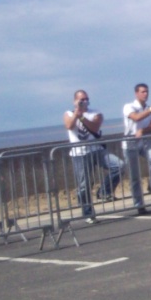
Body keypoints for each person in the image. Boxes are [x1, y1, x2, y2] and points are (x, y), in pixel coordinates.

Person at [64, 90, 123, 224]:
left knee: (119, 165)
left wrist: (82, 117)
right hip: (79, 153)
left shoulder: (96, 113)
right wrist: (76, 113)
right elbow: (69, 125)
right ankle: (88, 213)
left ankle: (104, 191)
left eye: (86, 99)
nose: (84, 102)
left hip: (96, 150)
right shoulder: (68, 113)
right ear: (75, 101)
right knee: (84, 185)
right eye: (81, 100)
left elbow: (95, 128)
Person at [123, 83, 151, 215]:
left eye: (146, 91)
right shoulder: (129, 106)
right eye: (142, 92)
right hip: (130, 144)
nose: (145, 94)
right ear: (136, 93)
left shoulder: (148, 108)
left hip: (144, 142)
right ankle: (139, 204)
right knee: (135, 176)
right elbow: (136, 117)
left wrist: (143, 130)